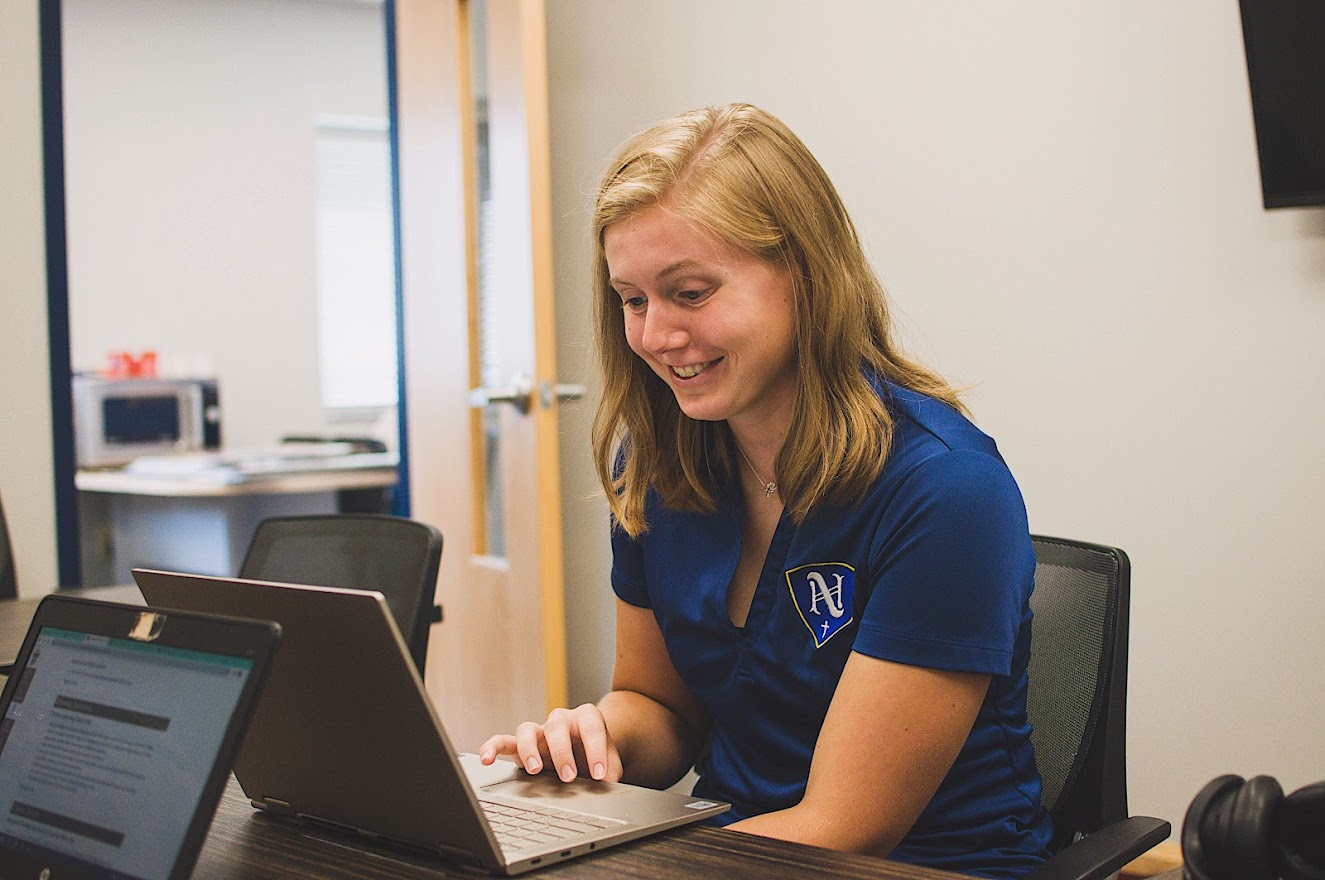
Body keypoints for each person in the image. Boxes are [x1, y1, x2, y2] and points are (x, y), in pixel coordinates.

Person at [479, 102, 1053, 878]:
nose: (653, 336)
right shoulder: (656, 466)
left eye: (689, 292)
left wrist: (628, 868)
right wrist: (595, 740)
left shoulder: (947, 493)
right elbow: (664, 711)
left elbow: (847, 827)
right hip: (725, 854)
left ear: (806, 278)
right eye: (632, 299)